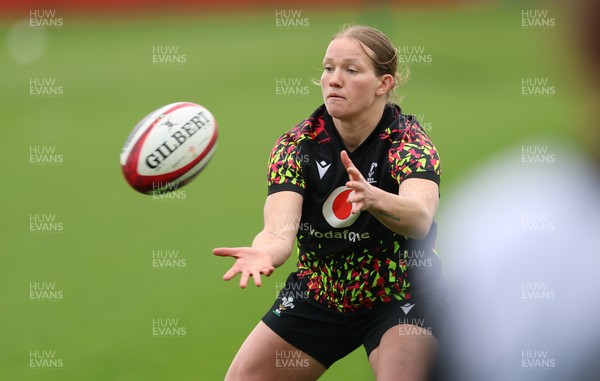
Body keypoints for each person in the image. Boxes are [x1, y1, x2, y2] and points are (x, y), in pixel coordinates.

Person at [214, 25, 447, 381]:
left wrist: (375, 198)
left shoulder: (409, 144)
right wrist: (265, 252)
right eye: (328, 68)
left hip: (399, 296)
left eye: (351, 70)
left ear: (383, 84)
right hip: (320, 292)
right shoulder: (297, 145)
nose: (334, 80)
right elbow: (279, 231)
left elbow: (419, 219)